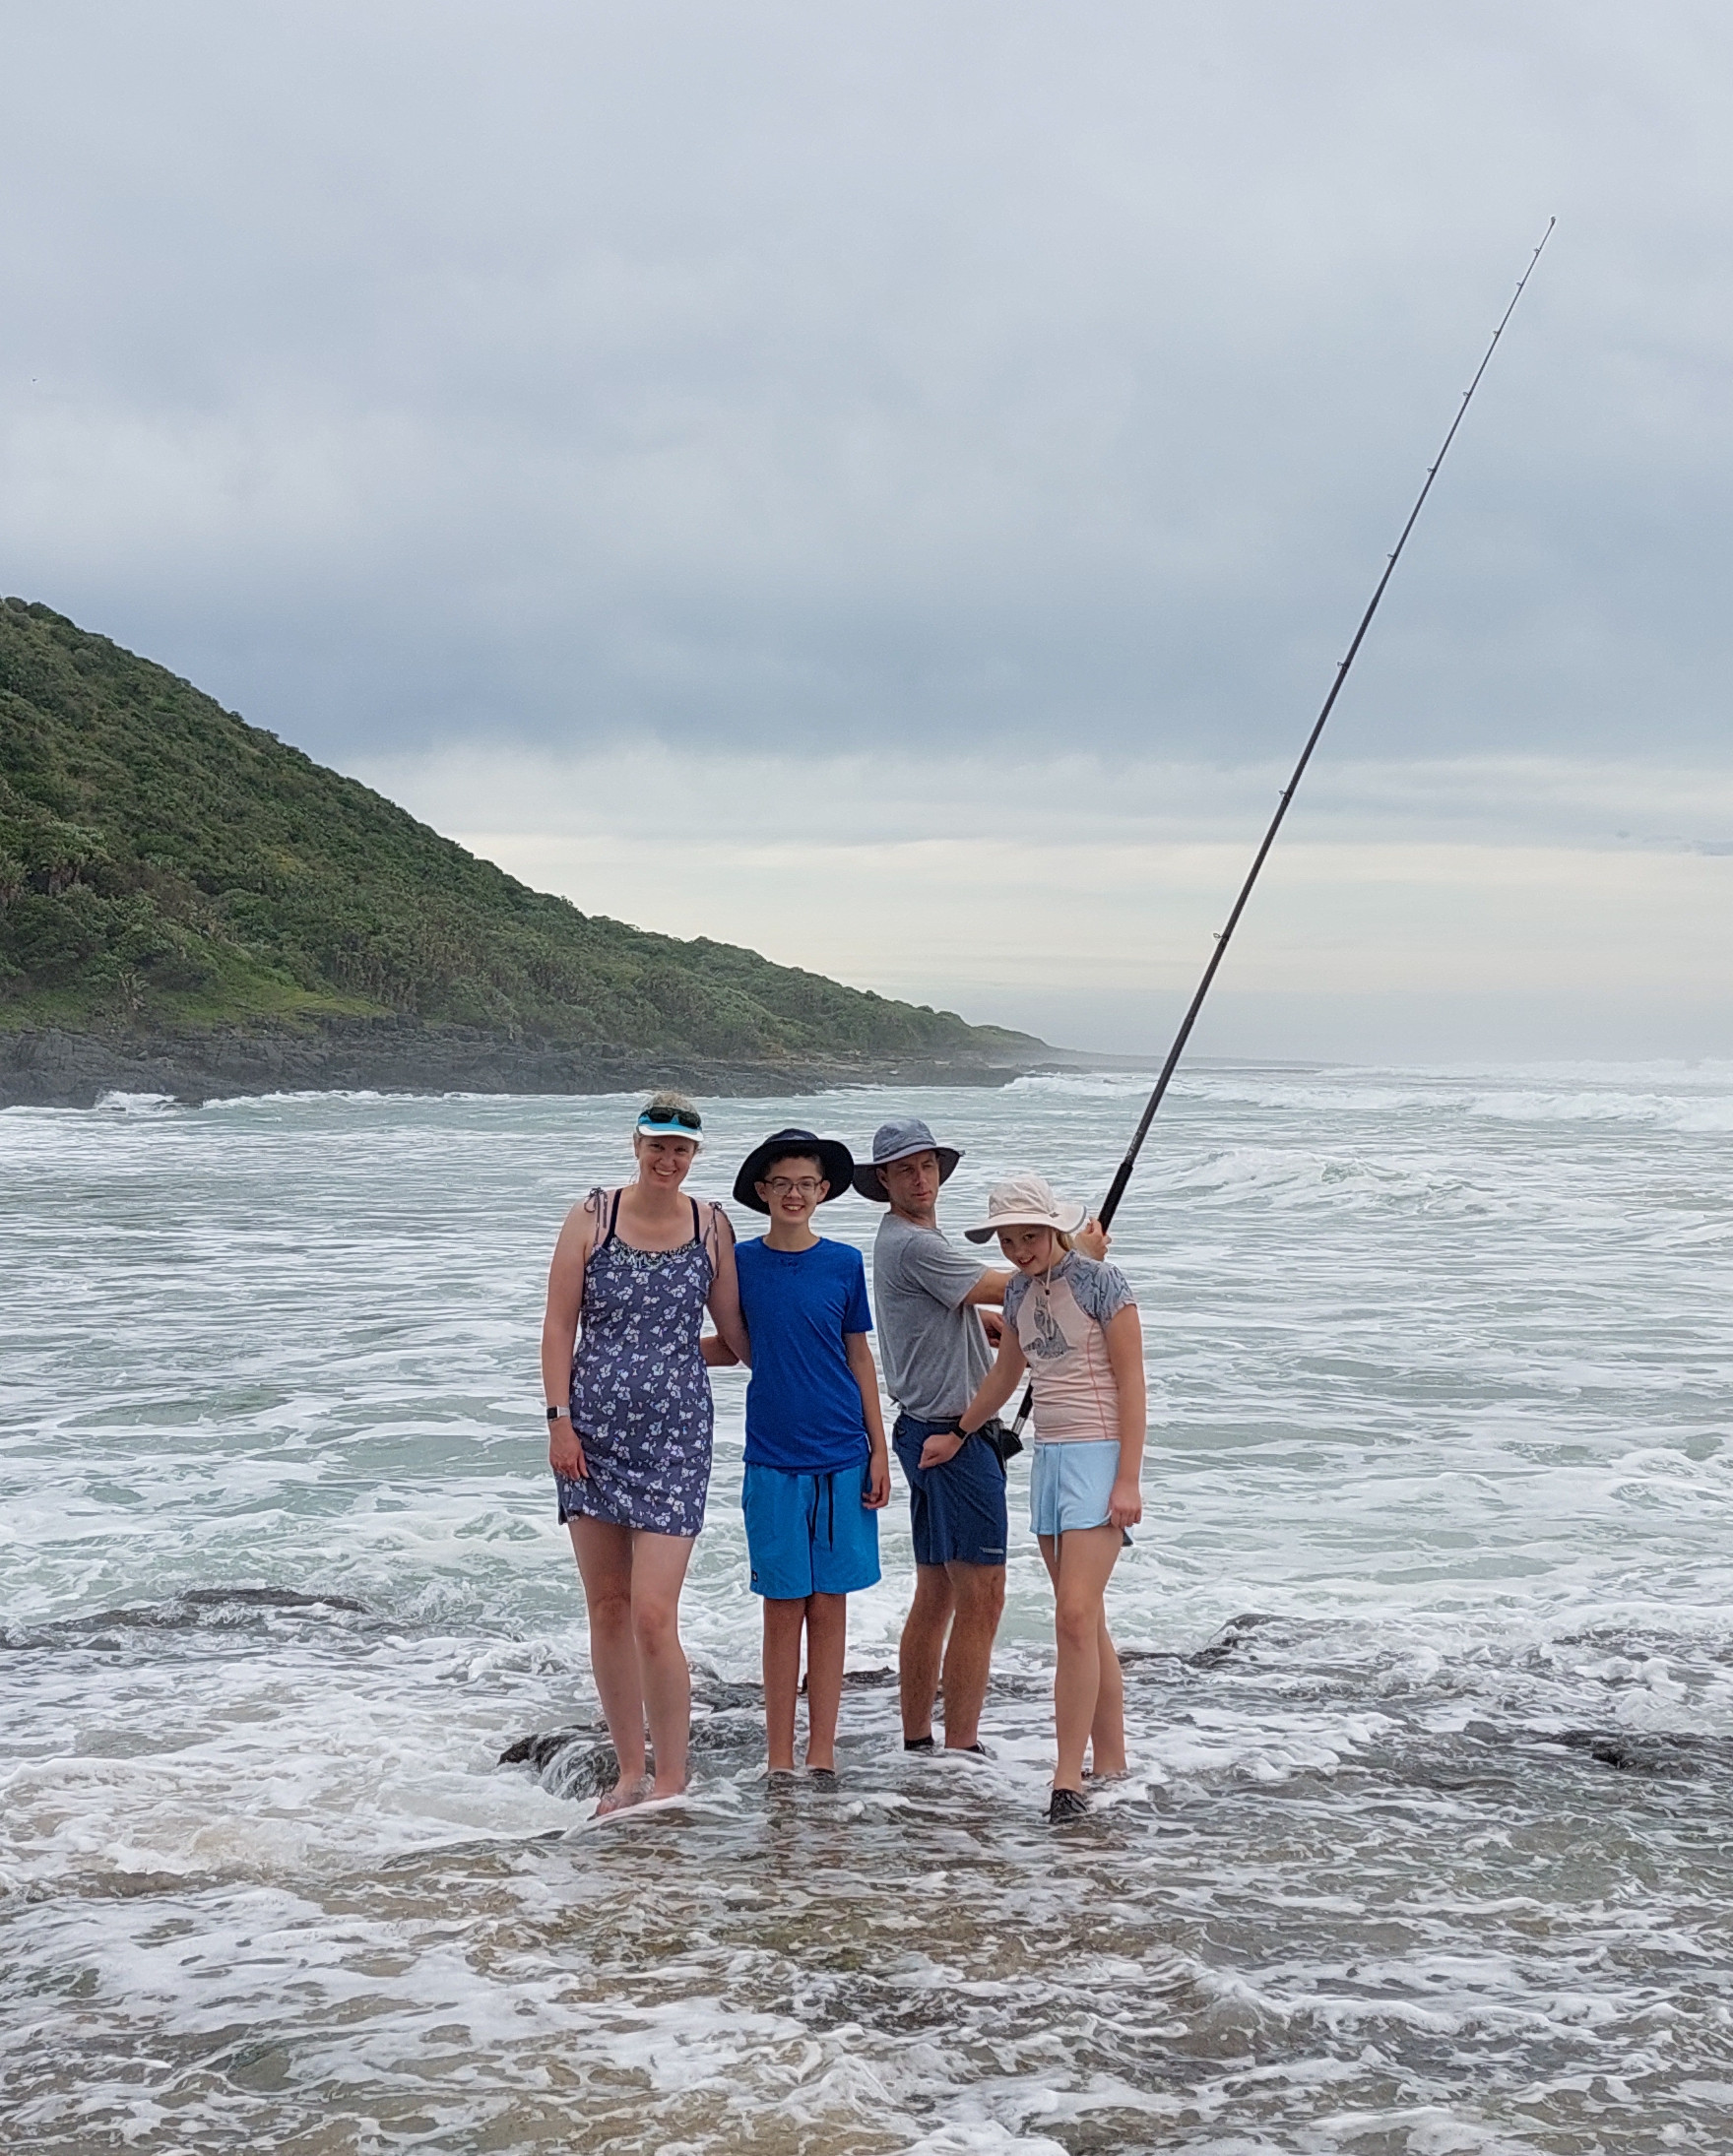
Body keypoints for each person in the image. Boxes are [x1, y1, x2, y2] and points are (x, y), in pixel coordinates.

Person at [854, 1118, 1110, 1757]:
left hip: (922, 1427)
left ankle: (919, 1740)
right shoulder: (914, 1245)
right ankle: (963, 1748)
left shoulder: (902, 1238)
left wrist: (978, 1323)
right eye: (906, 1169)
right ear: (883, 1179)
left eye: (928, 1166)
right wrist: (1075, 1252)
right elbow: (1017, 1279)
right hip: (951, 1436)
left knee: (937, 1589)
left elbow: (968, 1298)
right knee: (984, 1594)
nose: (920, 1178)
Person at [540, 1093, 749, 1814]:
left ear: (695, 1155)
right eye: (657, 1145)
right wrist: (559, 1421)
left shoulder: (710, 1225)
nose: (668, 1159)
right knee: (607, 1606)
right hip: (590, 1435)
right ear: (636, 1145)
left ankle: (672, 1776)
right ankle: (630, 1771)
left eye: (681, 1149)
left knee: (655, 1614)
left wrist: (817, 1355)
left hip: (676, 1439)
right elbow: (558, 1326)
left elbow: (735, 1336)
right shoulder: (592, 1216)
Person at [949, 1173, 1145, 1822]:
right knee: (1087, 1623)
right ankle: (1112, 1759)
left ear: (1055, 1228)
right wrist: (960, 1433)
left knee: (1072, 1616)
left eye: (1030, 1235)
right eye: (1007, 1239)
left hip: (1099, 1455)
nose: (1020, 1248)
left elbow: (1132, 1381)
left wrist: (1128, 1479)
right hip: (1051, 1462)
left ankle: (1067, 1778)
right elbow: (1008, 1371)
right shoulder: (1020, 1295)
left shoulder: (1102, 1283)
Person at [730, 1127, 891, 1787]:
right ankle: (778, 1756)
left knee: (830, 1609)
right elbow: (730, 1341)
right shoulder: (737, 1262)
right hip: (771, 1456)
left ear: (824, 1191)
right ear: (763, 1192)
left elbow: (859, 1357)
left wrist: (879, 1449)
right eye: (781, 1183)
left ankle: (821, 1752)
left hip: (843, 1451)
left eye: (806, 1183)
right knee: (782, 1608)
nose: (793, 1193)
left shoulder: (844, 1262)